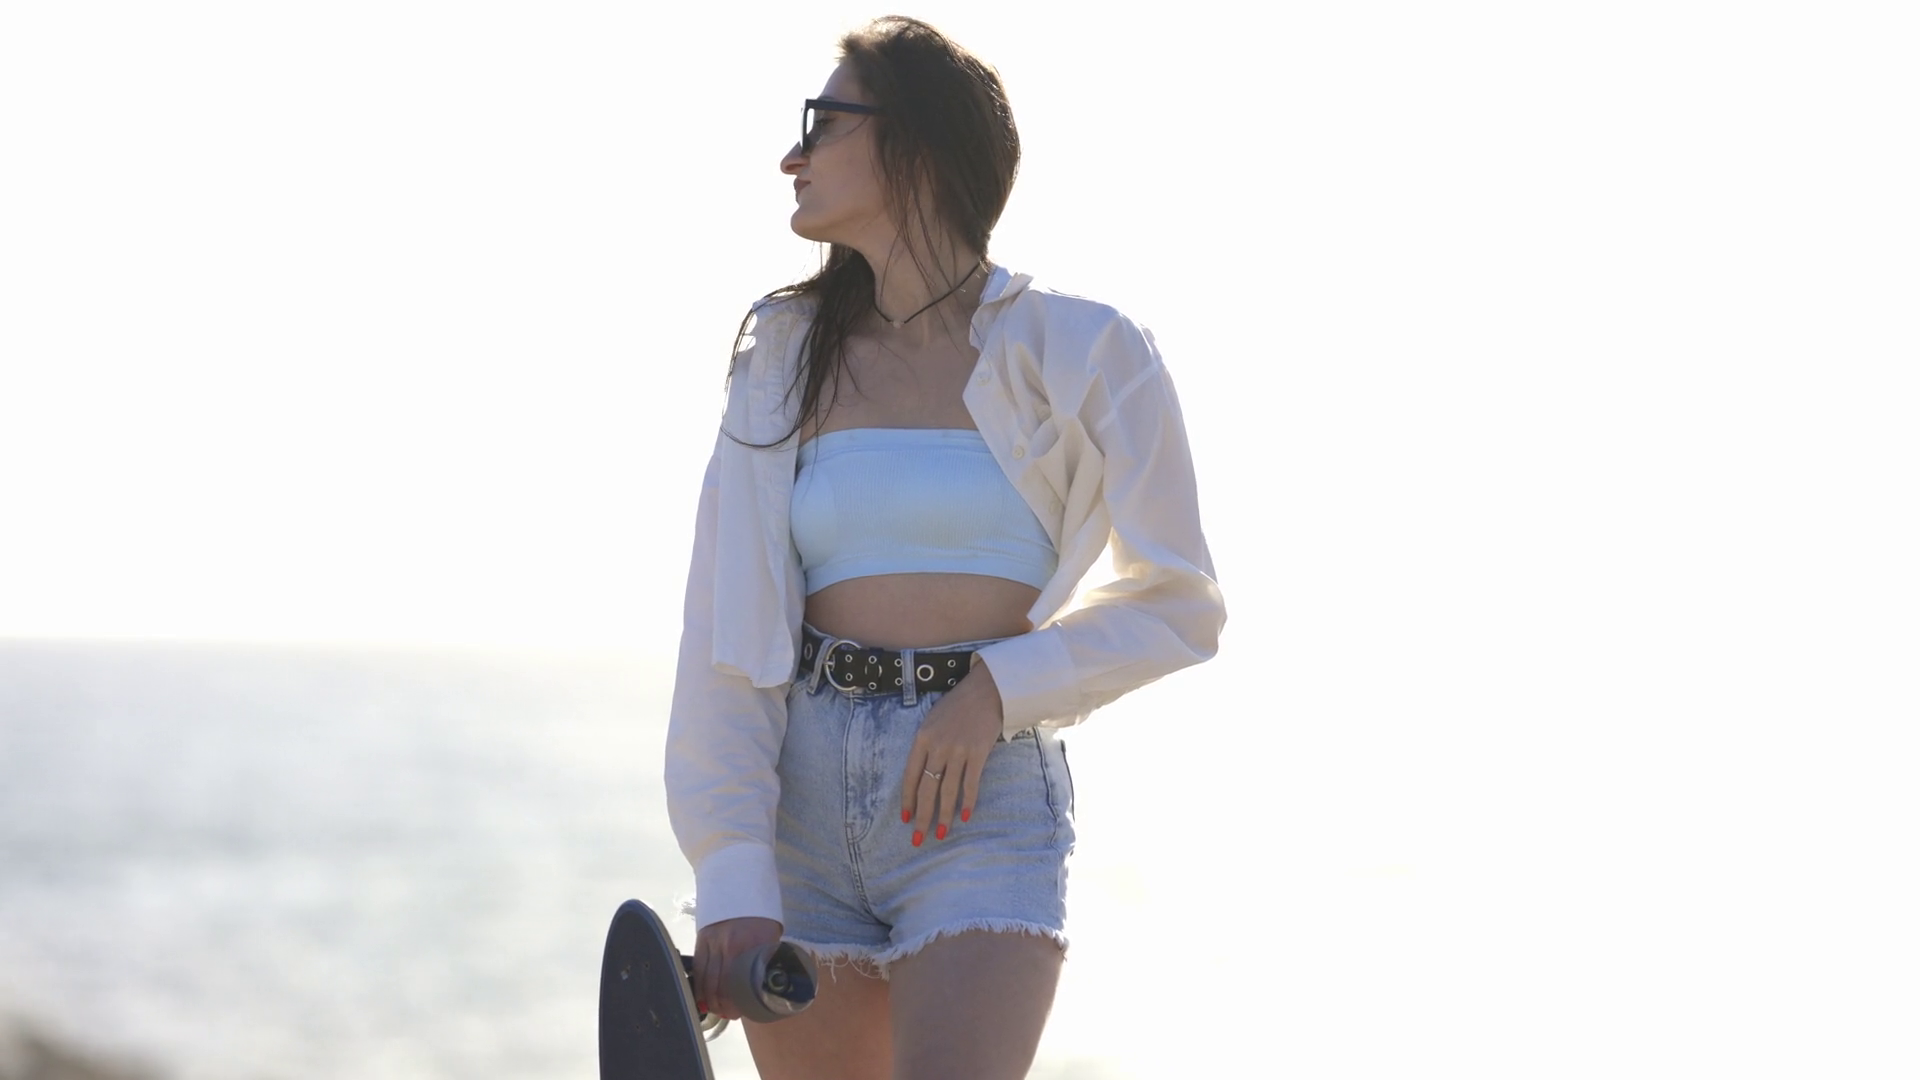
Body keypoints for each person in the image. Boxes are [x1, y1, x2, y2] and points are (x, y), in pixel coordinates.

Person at [663, 16, 1225, 1080]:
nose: (792, 155)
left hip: (981, 802)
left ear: (915, 145)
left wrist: (997, 691)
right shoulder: (782, 356)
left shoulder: (1089, 349)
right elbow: (728, 633)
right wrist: (731, 870)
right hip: (800, 804)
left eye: (823, 122)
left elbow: (1179, 601)